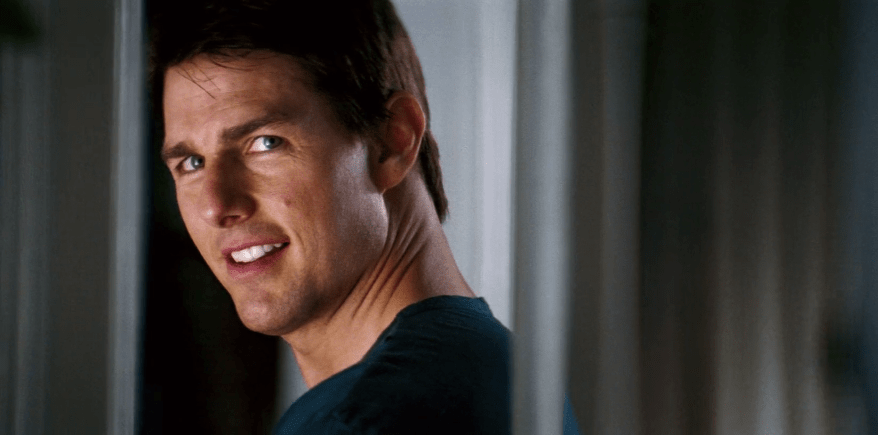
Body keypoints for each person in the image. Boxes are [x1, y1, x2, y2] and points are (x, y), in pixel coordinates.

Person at [149, 1, 583, 433]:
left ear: (392, 142)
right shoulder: (495, 366)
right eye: (191, 163)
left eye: (266, 143)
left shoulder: (364, 418)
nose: (215, 206)